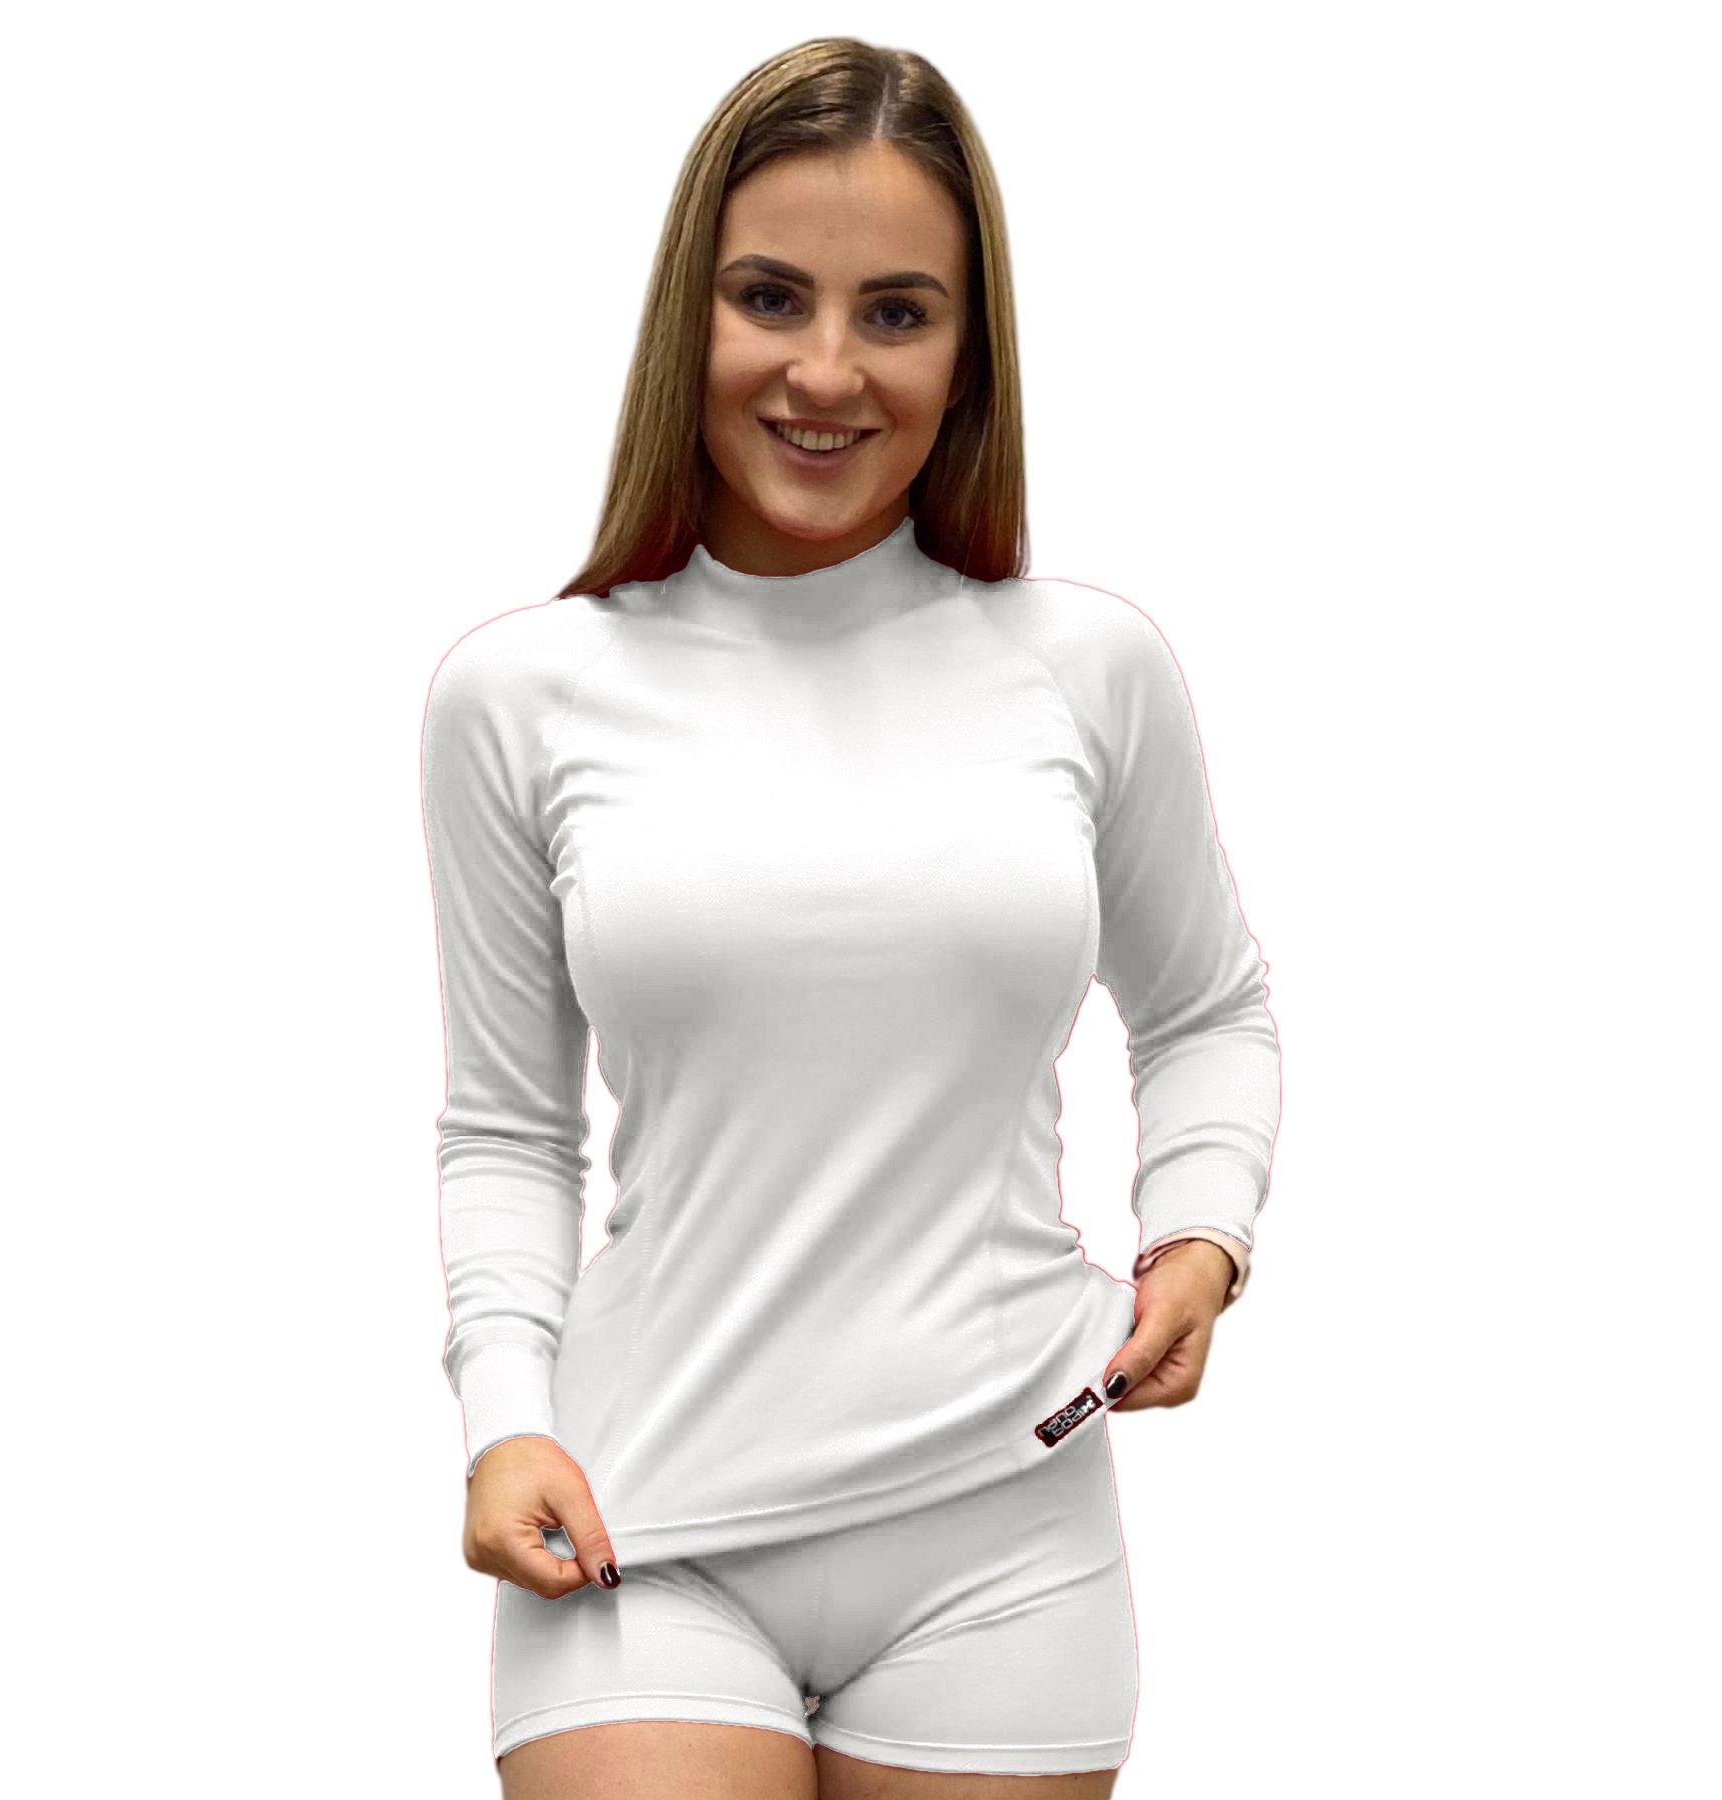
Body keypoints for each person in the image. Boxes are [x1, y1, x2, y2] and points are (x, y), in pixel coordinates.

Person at [418, 35, 1281, 1800]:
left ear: (970, 356)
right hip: (637, 1518)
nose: (827, 370)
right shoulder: (520, 697)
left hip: (1005, 1524)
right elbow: (507, 1127)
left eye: (897, 312)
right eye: (770, 298)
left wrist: (1200, 1235)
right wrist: (505, 1418)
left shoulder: (1088, 668)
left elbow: (1208, 1010)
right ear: (691, 317)